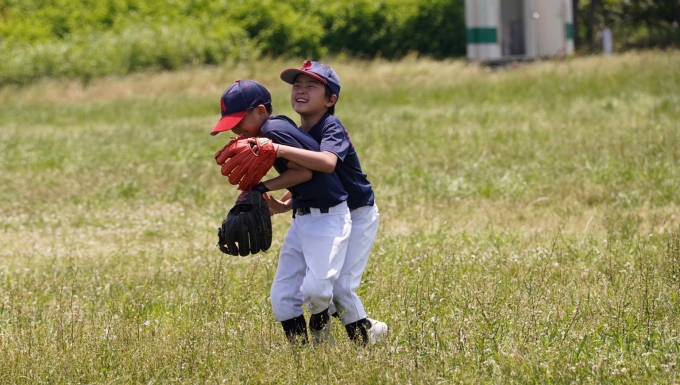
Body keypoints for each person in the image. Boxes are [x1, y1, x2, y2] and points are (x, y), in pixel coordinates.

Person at [210, 79, 351, 344]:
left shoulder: (273, 130)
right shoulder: (271, 130)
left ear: (261, 111)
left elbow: (306, 171)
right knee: (283, 297)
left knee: (316, 290)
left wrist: (262, 185)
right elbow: (300, 176)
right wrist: (278, 203)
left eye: (240, 121)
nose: (238, 129)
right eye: (232, 125)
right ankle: (302, 356)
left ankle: (323, 329)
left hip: (329, 216)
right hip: (303, 216)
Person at [264, 61, 388, 345]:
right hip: (326, 213)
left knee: (341, 288)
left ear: (331, 99)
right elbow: (310, 182)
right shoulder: (298, 132)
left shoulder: (331, 126)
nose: (301, 90)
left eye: (311, 86)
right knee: (326, 288)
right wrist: (284, 205)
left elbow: (327, 164)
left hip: (357, 213)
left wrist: (279, 148)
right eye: (296, 85)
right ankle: (367, 331)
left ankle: (355, 338)